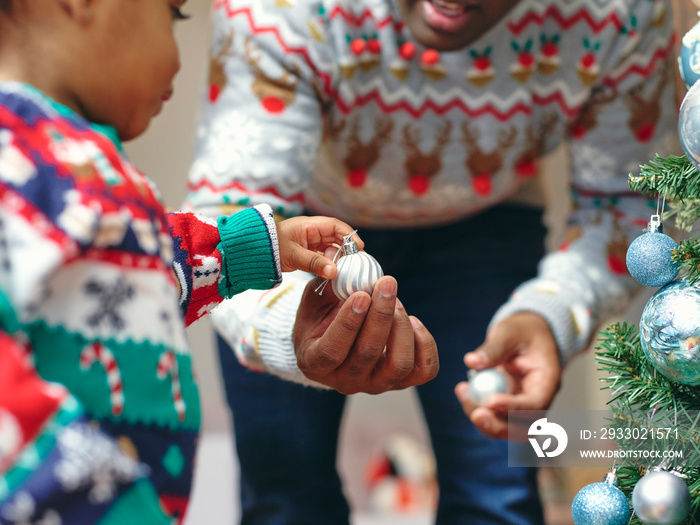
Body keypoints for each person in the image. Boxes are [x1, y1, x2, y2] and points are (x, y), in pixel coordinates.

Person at [185, 0, 679, 523]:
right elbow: (225, 232)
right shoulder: (276, 9)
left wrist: (549, 314)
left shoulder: (623, 10)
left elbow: (627, 210)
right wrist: (289, 328)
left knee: (500, 494)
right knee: (284, 496)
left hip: (491, 221)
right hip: (296, 228)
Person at [0, 0, 439, 522]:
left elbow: (125, 284)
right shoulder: (16, 165)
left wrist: (244, 246)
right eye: (174, 13)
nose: (181, 58)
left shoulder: (71, 163)